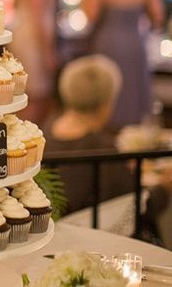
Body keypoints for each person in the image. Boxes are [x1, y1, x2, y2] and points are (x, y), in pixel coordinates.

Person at [82, 0, 164, 129]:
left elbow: (90, 16)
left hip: (108, 43)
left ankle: (107, 128)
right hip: (135, 42)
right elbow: (157, 17)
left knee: (109, 86)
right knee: (133, 88)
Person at [46, 55, 133, 215]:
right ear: (105, 105)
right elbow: (128, 208)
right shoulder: (103, 149)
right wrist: (163, 189)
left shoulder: (42, 134)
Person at [11, 0, 58, 126]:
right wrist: (48, 53)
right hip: (34, 41)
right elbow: (39, 20)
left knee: (27, 92)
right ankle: (28, 135)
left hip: (22, 36)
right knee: (37, 95)